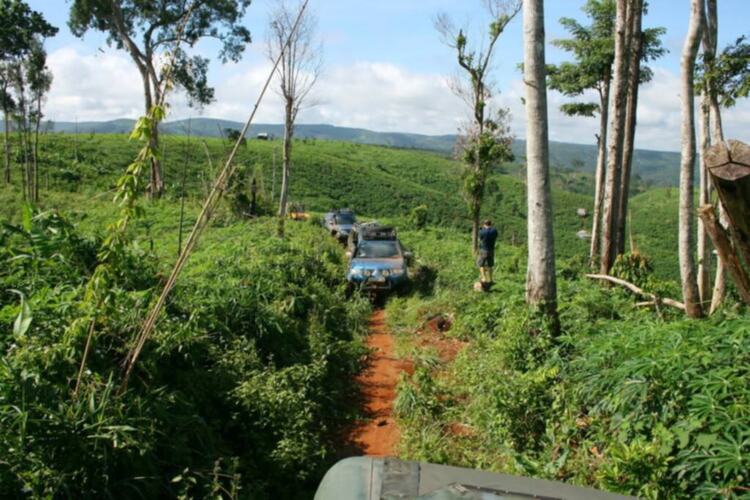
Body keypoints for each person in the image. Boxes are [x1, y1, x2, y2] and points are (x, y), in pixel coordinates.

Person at [477, 220, 498, 289]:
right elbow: (495, 235)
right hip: (491, 250)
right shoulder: (494, 231)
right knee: (490, 265)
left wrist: (482, 229)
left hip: (484, 249)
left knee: (481, 264)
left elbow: (480, 239)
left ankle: (484, 278)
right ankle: (491, 279)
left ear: (484, 224)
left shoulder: (482, 231)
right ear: (491, 224)